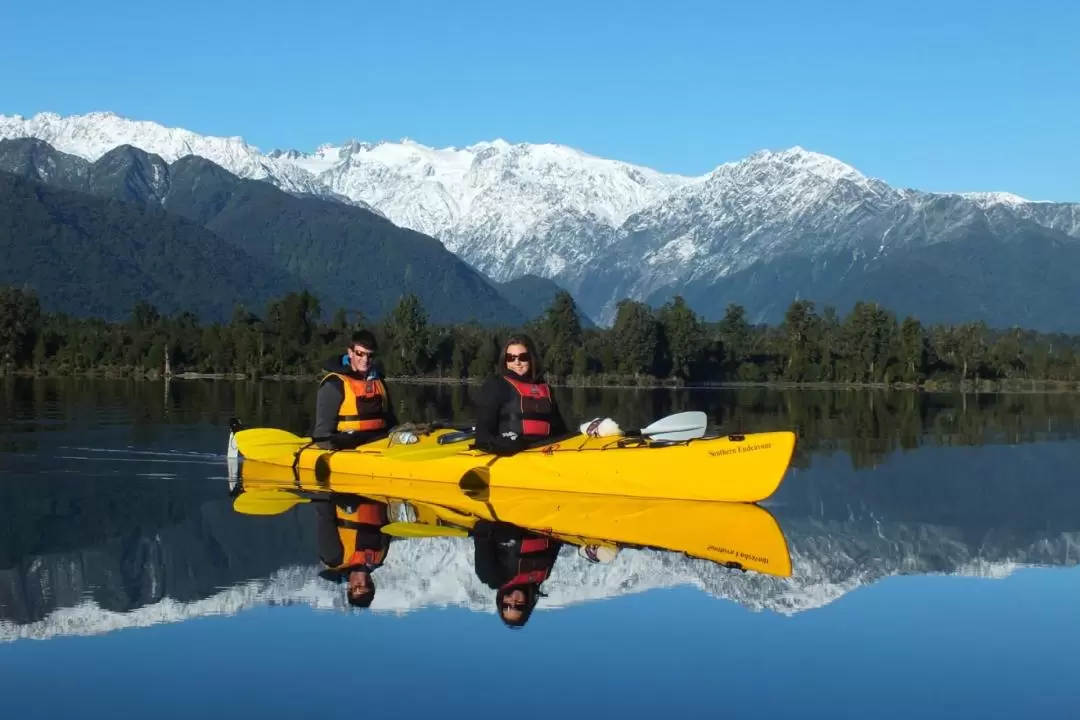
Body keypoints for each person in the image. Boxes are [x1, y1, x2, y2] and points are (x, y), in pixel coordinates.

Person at [472, 334, 572, 456]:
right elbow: (482, 437)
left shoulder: (545, 388)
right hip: (510, 454)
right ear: (505, 360)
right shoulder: (496, 385)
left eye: (523, 357)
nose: (517, 362)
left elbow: (560, 431)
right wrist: (507, 446)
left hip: (542, 453)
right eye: (511, 357)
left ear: (531, 358)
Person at [313, 330, 398, 450]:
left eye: (370, 355)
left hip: (379, 441)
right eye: (360, 353)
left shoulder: (379, 381)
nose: (365, 360)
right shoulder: (334, 383)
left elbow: (391, 421)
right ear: (350, 353)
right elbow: (322, 435)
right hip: (347, 444)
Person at [471, 519, 562, 629]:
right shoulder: (542, 575)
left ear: (501, 602)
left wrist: (504, 531)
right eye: (518, 608)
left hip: (510, 515)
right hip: (548, 517)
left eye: (507, 607)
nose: (513, 603)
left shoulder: (490, 575)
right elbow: (558, 541)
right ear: (526, 606)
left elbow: (481, 529)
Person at [315, 493, 392, 608]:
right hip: (377, 493)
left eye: (358, 586)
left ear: (349, 587)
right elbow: (388, 524)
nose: (364, 580)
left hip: (346, 491)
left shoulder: (334, 558)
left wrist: (328, 489)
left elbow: (325, 516)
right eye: (369, 585)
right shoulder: (379, 558)